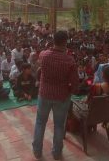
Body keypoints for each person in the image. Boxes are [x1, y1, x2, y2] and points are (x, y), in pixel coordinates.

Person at [32, 31, 79, 160]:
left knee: (40, 122)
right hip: (61, 97)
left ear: (53, 40)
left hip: (45, 94)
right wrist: (69, 89)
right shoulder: (70, 60)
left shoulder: (44, 55)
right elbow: (75, 84)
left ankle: (37, 150)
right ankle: (57, 152)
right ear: (65, 42)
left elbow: (38, 68)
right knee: (59, 125)